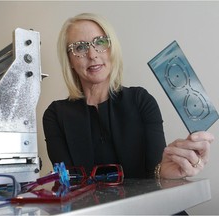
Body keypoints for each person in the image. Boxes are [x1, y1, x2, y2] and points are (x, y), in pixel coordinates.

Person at [43, 13, 214, 180]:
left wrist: (166, 172)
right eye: (80, 47)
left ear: (112, 49)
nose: (92, 54)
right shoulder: (56, 115)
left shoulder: (141, 100)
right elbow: (69, 182)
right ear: (69, 60)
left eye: (100, 42)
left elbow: (156, 171)